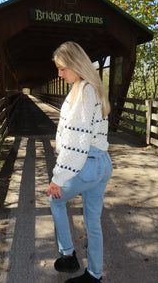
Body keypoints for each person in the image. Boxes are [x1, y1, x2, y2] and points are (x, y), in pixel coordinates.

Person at [46, 41, 112, 283]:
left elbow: (76, 143)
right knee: (93, 220)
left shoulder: (84, 91)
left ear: (75, 64)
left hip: (87, 165)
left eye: (62, 68)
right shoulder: (90, 89)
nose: (59, 73)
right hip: (101, 164)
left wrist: (57, 179)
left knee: (54, 200)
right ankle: (94, 274)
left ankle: (68, 256)